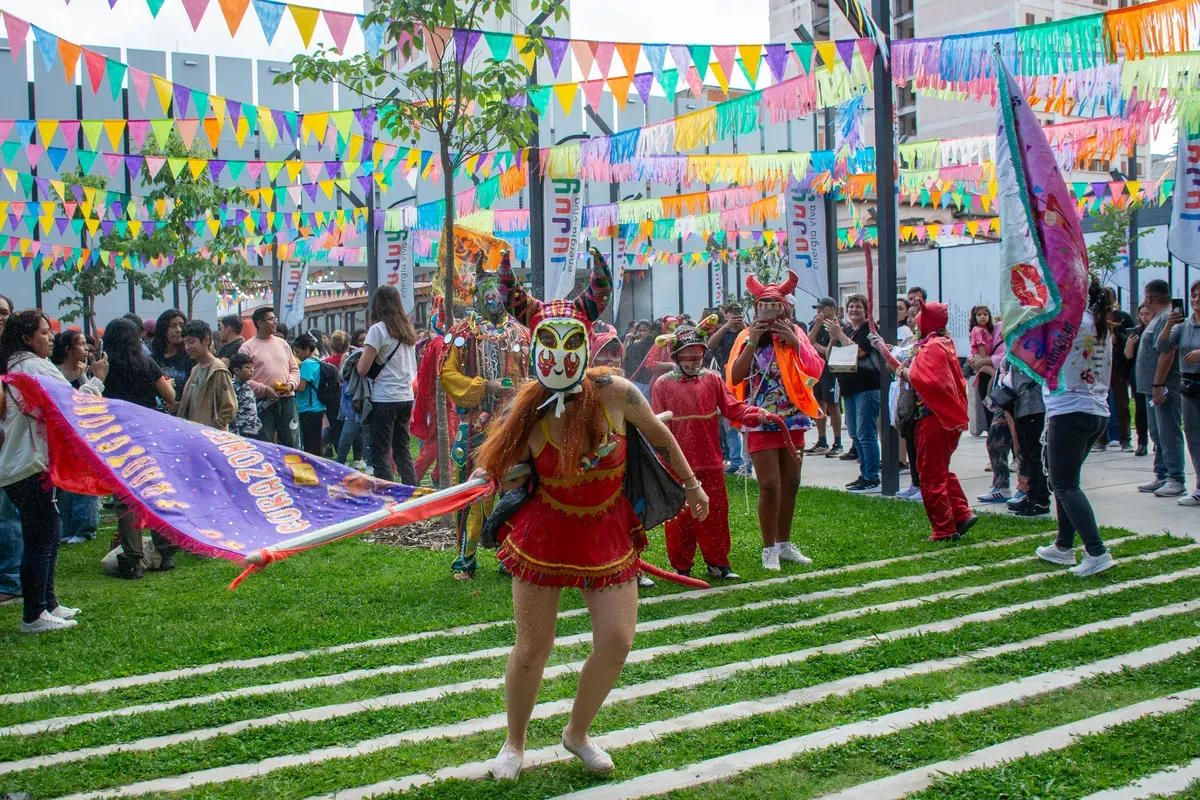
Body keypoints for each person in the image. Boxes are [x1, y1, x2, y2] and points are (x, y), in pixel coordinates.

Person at [476, 252, 708, 780]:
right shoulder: (527, 411)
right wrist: (483, 480)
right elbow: (500, 469)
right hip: (545, 530)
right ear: (536, 350)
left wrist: (692, 484)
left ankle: (576, 733)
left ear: (586, 344)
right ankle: (513, 744)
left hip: (607, 529)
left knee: (618, 641)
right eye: (548, 345)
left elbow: (661, 435)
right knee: (533, 648)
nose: (560, 356)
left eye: (571, 343)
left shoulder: (618, 394)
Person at [1, 309, 107, 631]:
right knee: (42, 535)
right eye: (45, 332)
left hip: (23, 464)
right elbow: (73, 405)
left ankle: (48, 604)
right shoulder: (32, 365)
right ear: (26, 338)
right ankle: (33, 615)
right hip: (26, 465)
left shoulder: (19, 365)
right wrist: (97, 379)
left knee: (50, 528)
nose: (50, 337)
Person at [652, 316, 766, 580]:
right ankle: (682, 565)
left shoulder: (712, 380)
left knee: (715, 513)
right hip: (678, 464)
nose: (693, 362)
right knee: (681, 517)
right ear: (676, 357)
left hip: (711, 461)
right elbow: (657, 427)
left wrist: (752, 412)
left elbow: (732, 407)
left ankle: (718, 563)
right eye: (687, 356)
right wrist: (665, 458)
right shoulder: (663, 384)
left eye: (698, 356)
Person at [439, 253, 531, 579]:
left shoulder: (521, 333)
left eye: (499, 293)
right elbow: (448, 376)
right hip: (476, 424)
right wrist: (485, 386)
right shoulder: (463, 333)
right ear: (476, 295)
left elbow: (533, 375)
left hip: (513, 422)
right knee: (476, 490)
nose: (494, 298)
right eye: (487, 292)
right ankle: (466, 558)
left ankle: (511, 555)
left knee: (516, 489)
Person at [727, 271, 823, 571]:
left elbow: (815, 370)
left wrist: (795, 342)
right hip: (759, 418)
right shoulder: (746, 336)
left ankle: (784, 544)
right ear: (756, 309)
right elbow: (735, 376)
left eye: (775, 306)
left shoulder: (795, 334)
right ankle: (768, 549)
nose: (769, 312)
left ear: (785, 309)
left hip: (793, 419)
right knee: (769, 485)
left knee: (791, 482)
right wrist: (753, 342)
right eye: (763, 306)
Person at [871, 301, 977, 542]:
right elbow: (907, 363)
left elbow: (921, 378)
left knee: (930, 476)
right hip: (943, 419)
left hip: (932, 419)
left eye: (918, 315)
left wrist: (900, 370)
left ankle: (944, 529)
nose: (915, 319)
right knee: (939, 471)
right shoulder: (939, 343)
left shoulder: (932, 347)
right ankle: (960, 513)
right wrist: (885, 351)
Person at [1034, 278, 1118, 576]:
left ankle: (1096, 551)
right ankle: (1063, 546)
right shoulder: (1097, 323)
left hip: (1070, 410)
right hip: (1094, 410)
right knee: (1066, 481)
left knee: (1065, 485)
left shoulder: (1069, 322)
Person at [102, 318, 178, 578]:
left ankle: (133, 560)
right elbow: (169, 397)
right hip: (147, 434)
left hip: (117, 435)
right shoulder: (147, 363)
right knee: (155, 491)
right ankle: (165, 553)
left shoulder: (105, 367)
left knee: (126, 498)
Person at [358, 285, 418, 484]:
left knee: (380, 452)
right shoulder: (407, 331)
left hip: (384, 398)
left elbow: (362, 369)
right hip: (406, 397)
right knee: (402, 451)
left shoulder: (378, 330)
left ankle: (387, 497)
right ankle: (412, 495)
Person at [49, 330, 102, 544]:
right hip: (63, 438)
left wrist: (86, 376)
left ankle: (84, 528)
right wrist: (97, 379)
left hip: (83, 435)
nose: (86, 348)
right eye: (81, 344)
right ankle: (67, 528)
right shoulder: (56, 374)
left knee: (87, 480)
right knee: (66, 484)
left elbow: (94, 402)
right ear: (68, 350)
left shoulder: (82, 373)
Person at [1136, 279, 1186, 497]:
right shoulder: (1159, 318)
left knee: (1168, 432)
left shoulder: (1166, 317)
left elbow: (1167, 353)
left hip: (1164, 387)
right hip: (1151, 387)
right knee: (1157, 433)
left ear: (1148, 297)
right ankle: (1162, 473)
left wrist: (1158, 384)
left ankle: (1176, 477)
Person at [829, 294, 882, 491]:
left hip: (867, 387)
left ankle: (871, 476)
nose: (854, 310)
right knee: (854, 432)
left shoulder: (869, 329)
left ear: (866, 310)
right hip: (849, 388)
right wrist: (835, 338)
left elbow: (859, 352)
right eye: (851, 307)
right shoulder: (850, 330)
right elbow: (830, 355)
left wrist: (840, 335)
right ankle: (864, 472)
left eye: (858, 307)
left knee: (865, 432)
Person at [1160, 280, 1200, 506]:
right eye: (1193, 295)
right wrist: (1168, 325)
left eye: (1199, 296)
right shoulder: (1183, 326)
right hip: (1189, 386)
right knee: (1194, 438)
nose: (1195, 300)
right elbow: (1163, 347)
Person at [239, 307, 300, 448]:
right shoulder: (247, 347)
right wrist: (264, 389)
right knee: (263, 442)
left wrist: (291, 384)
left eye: (275, 319)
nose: (275, 322)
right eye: (271, 319)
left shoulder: (283, 344)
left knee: (290, 441)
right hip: (262, 402)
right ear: (260, 323)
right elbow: (243, 379)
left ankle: (289, 469)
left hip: (287, 399)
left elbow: (294, 369)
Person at [706, 304, 748, 473]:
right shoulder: (724, 333)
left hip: (747, 381)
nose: (736, 318)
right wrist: (726, 327)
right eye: (732, 316)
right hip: (727, 381)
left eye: (738, 314)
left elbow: (757, 341)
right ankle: (736, 461)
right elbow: (710, 344)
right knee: (728, 423)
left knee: (747, 423)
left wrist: (744, 327)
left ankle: (748, 463)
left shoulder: (748, 331)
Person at [1007, 367, 1051, 517]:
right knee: (1026, 455)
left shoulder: (1032, 349)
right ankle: (1031, 495)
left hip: (1034, 405)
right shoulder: (1016, 349)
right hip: (1020, 405)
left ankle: (1041, 500)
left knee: (1036, 455)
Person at [177, 320, 236, 431]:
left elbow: (229, 407)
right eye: (185, 343)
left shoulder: (218, 369)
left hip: (211, 436)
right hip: (195, 432)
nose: (187, 347)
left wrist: (213, 428)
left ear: (206, 340)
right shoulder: (195, 369)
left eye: (191, 342)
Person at [0, 295, 21, 607]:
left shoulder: (16, 356)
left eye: (3, 311)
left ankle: (11, 581)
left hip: (10, 443)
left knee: (7, 514)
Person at [806, 297, 845, 459]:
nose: (819, 312)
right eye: (818, 309)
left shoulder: (839, 327)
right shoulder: (816, 324)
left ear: (832, 308)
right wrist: (816, 325)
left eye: (822, 308)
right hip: (817, 371)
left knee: (832, 404)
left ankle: (838, 442)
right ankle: (822, 441)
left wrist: (817, 346)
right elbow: (808, 342)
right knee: (818, 404)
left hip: (832, 371)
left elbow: (832, 351)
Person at [1104, 289, 1136, 453]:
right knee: (1101, 401)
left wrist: (1119, 339)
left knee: (1122, 402)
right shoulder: (1097, 318)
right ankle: (1102, 439)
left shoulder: (1122, 317)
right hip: (1100, 365)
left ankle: (1125, 438)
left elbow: (1133, 336)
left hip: (1118, 365)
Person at [292, 333, 326, 456]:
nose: (296, 355)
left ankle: (313, 468)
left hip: (308, 408)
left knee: (310, 445)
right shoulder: (317, 361)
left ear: (307, 349)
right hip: (318, 407)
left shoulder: (307, 364)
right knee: (316, 442)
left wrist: (288, 385)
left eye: (298, 352)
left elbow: (301, 387)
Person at [968, 304, 1001, 432]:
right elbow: (981, 345)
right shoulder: (978, 330)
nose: (982, 317)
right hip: (980, 357)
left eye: (985, 314)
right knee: (994, 375)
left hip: (984, 358)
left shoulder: (986, 329)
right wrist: (984, 360)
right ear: (974, 317)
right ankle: (988, 399)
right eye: (979, 315)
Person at [1125, 304, 1152, 457]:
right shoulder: (1135, 332)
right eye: (1141, 314)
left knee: (1156, 410)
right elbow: (1128, 356)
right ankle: (1142, 442)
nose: (1144, 317)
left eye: (1147, 313)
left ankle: (1158, 441)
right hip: (1138, 374)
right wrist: (1129, 345)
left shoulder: (1159, 330)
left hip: (1155, 374)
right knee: (1141, 409)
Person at [150, 309, 193, 403]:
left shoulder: (191, 357)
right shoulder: (153, 360)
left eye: (181, 326)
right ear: (163, 329)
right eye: (173, 326)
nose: (178, 330)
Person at [229, 352, 262, 439]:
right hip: (239, 431)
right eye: (247, 368)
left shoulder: (248, 387)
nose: (251, 370)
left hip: (252, 430)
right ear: (236, 370)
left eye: (252, 367)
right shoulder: (232, 388)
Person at [622, 319, 655, 396]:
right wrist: (626, 341)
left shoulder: (653, 344)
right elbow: (624, 358)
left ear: (649, 332)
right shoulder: (633, 344)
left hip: (648, 383)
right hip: (636, 381)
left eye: (645, 330)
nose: (642, 333)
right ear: (636, 331)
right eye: (640, 331)